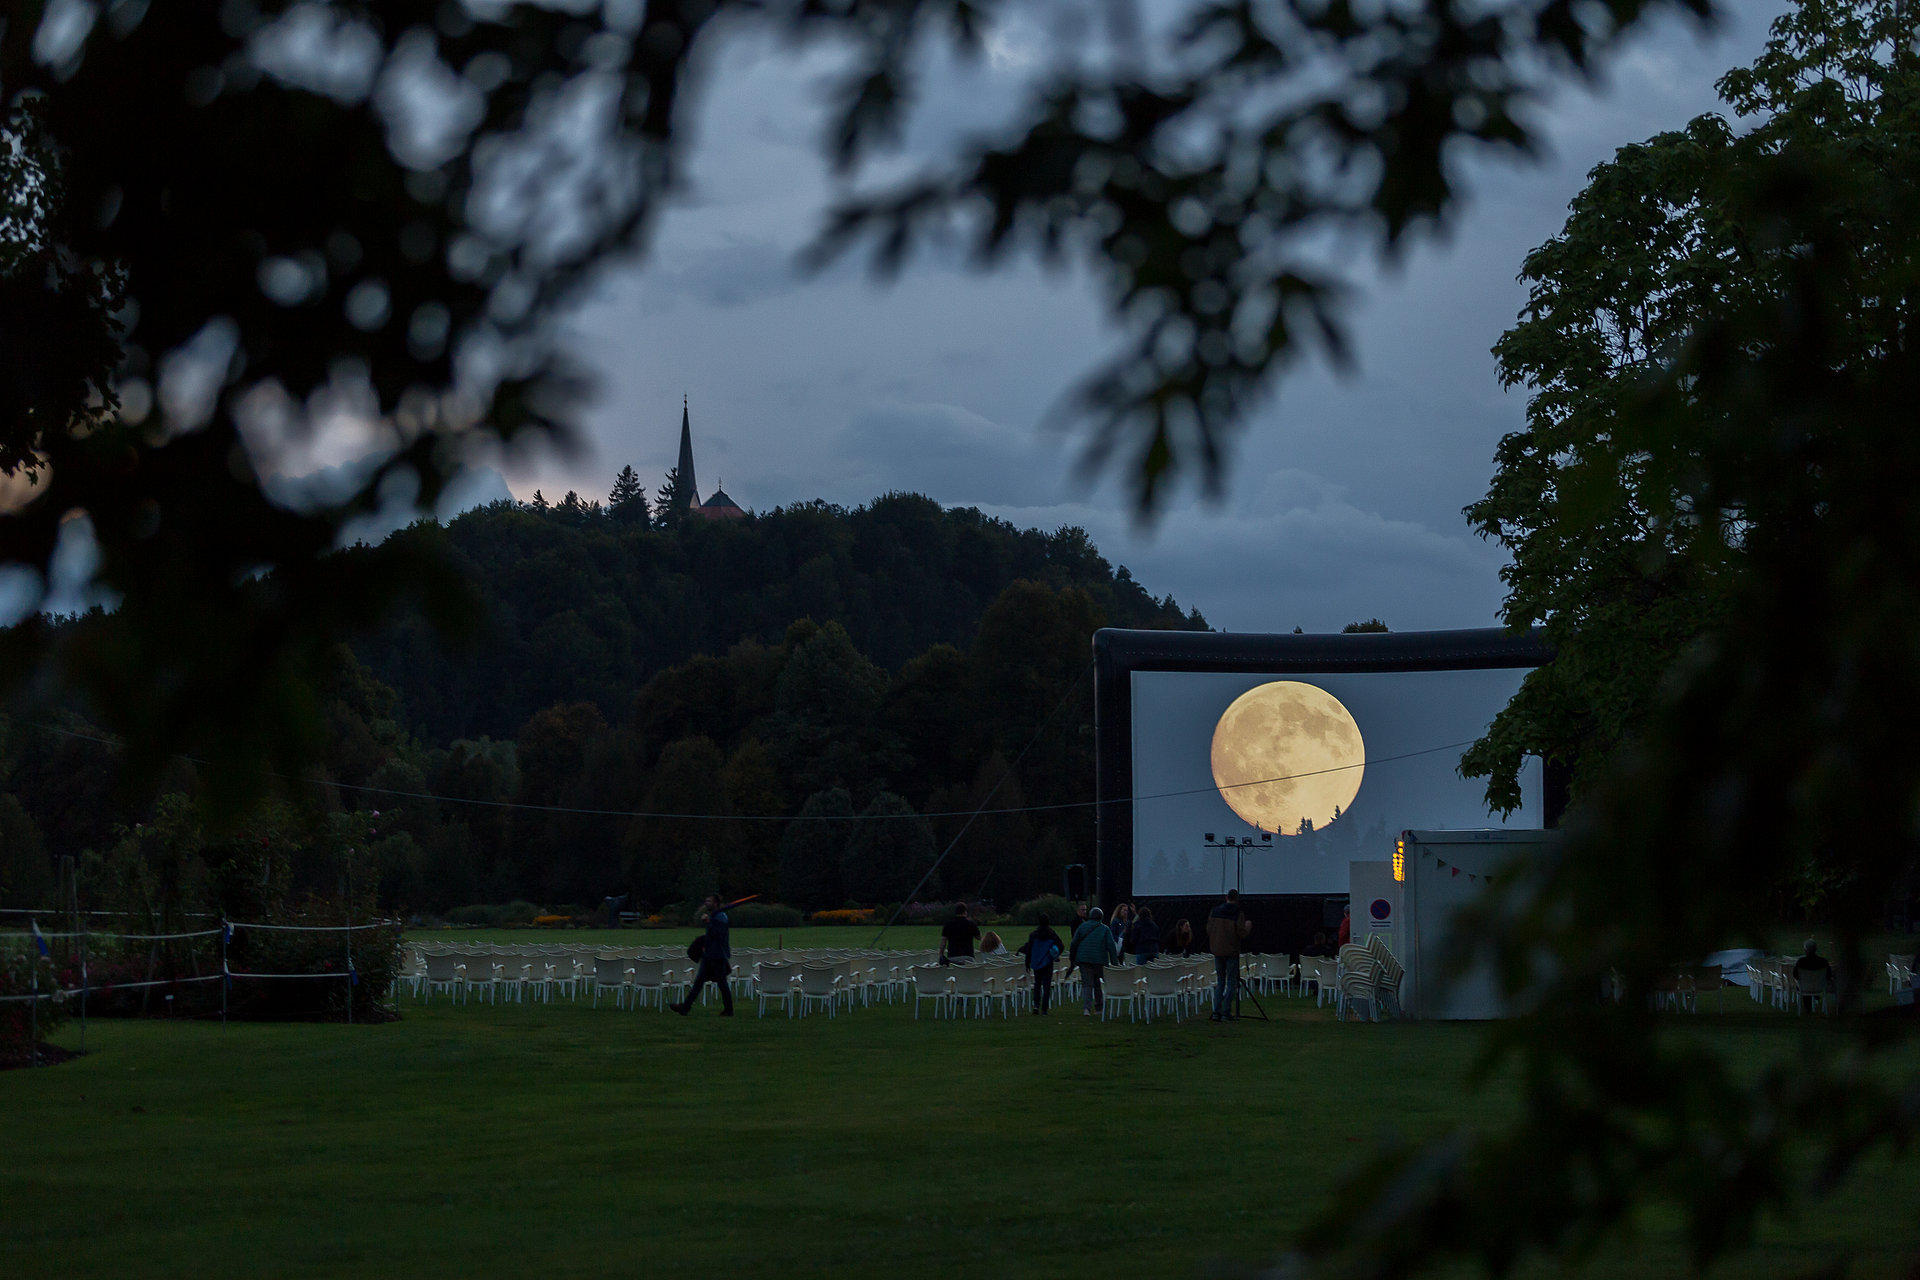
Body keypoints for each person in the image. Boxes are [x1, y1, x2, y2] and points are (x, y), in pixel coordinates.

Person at [671, 894, 733, 1016]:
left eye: (709, 901)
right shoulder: (715, 916)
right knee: (699, 982)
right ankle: (685, 1007)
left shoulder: (721, 917)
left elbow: (718, 935)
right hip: (709, 955)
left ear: (715, 903)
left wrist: (708, 922)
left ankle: (729, 1010)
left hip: (717, 956)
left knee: (722, 984)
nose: (706, 903)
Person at [1206, 889, 1252, 1021]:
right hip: (1231, 951)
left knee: (1220, 981)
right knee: (1231, 982)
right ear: (1237, 899)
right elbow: (1241, 933)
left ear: (1226, 897)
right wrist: (1248, 926)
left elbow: (1209, 929)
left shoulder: (1214, 911)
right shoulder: (1238, 913)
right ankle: (1226, 1012)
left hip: (1217, 950)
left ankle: (1216, 1012)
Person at [1070, 906, 1121, 1015]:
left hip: (1083, 959)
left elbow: (1074, 943)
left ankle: (1086, 1008)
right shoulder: (1105, 929)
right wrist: (1114, 963)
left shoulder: (1082, 927)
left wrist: (1072, 958)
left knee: (1087, 984)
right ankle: (1099, 1008)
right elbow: (1111, 947)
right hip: (1099, 960)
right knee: (1098, 983)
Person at [1018, 916, 1065, 1014]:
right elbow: (1061, 946)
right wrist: (1055, 954)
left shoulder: (1034, 935)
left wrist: (1027, 963)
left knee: (1037, 984)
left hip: (1036, 961)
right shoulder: (1052, 934)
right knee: (1047, 985)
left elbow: (1029, 949)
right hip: (1047, 961)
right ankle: (1044, 1008)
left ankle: (1036, 1005)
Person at [1793, 939, 1833, 1013]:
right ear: (1816, 949)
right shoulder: (1823, 961)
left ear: (1805, 950)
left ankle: (1808, 1008)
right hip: (1820, 987)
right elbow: (1829, 975)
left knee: (1804, 984)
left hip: (1804, 987)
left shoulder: (1801, 961)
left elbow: (1795, 975)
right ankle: (1815, 999)